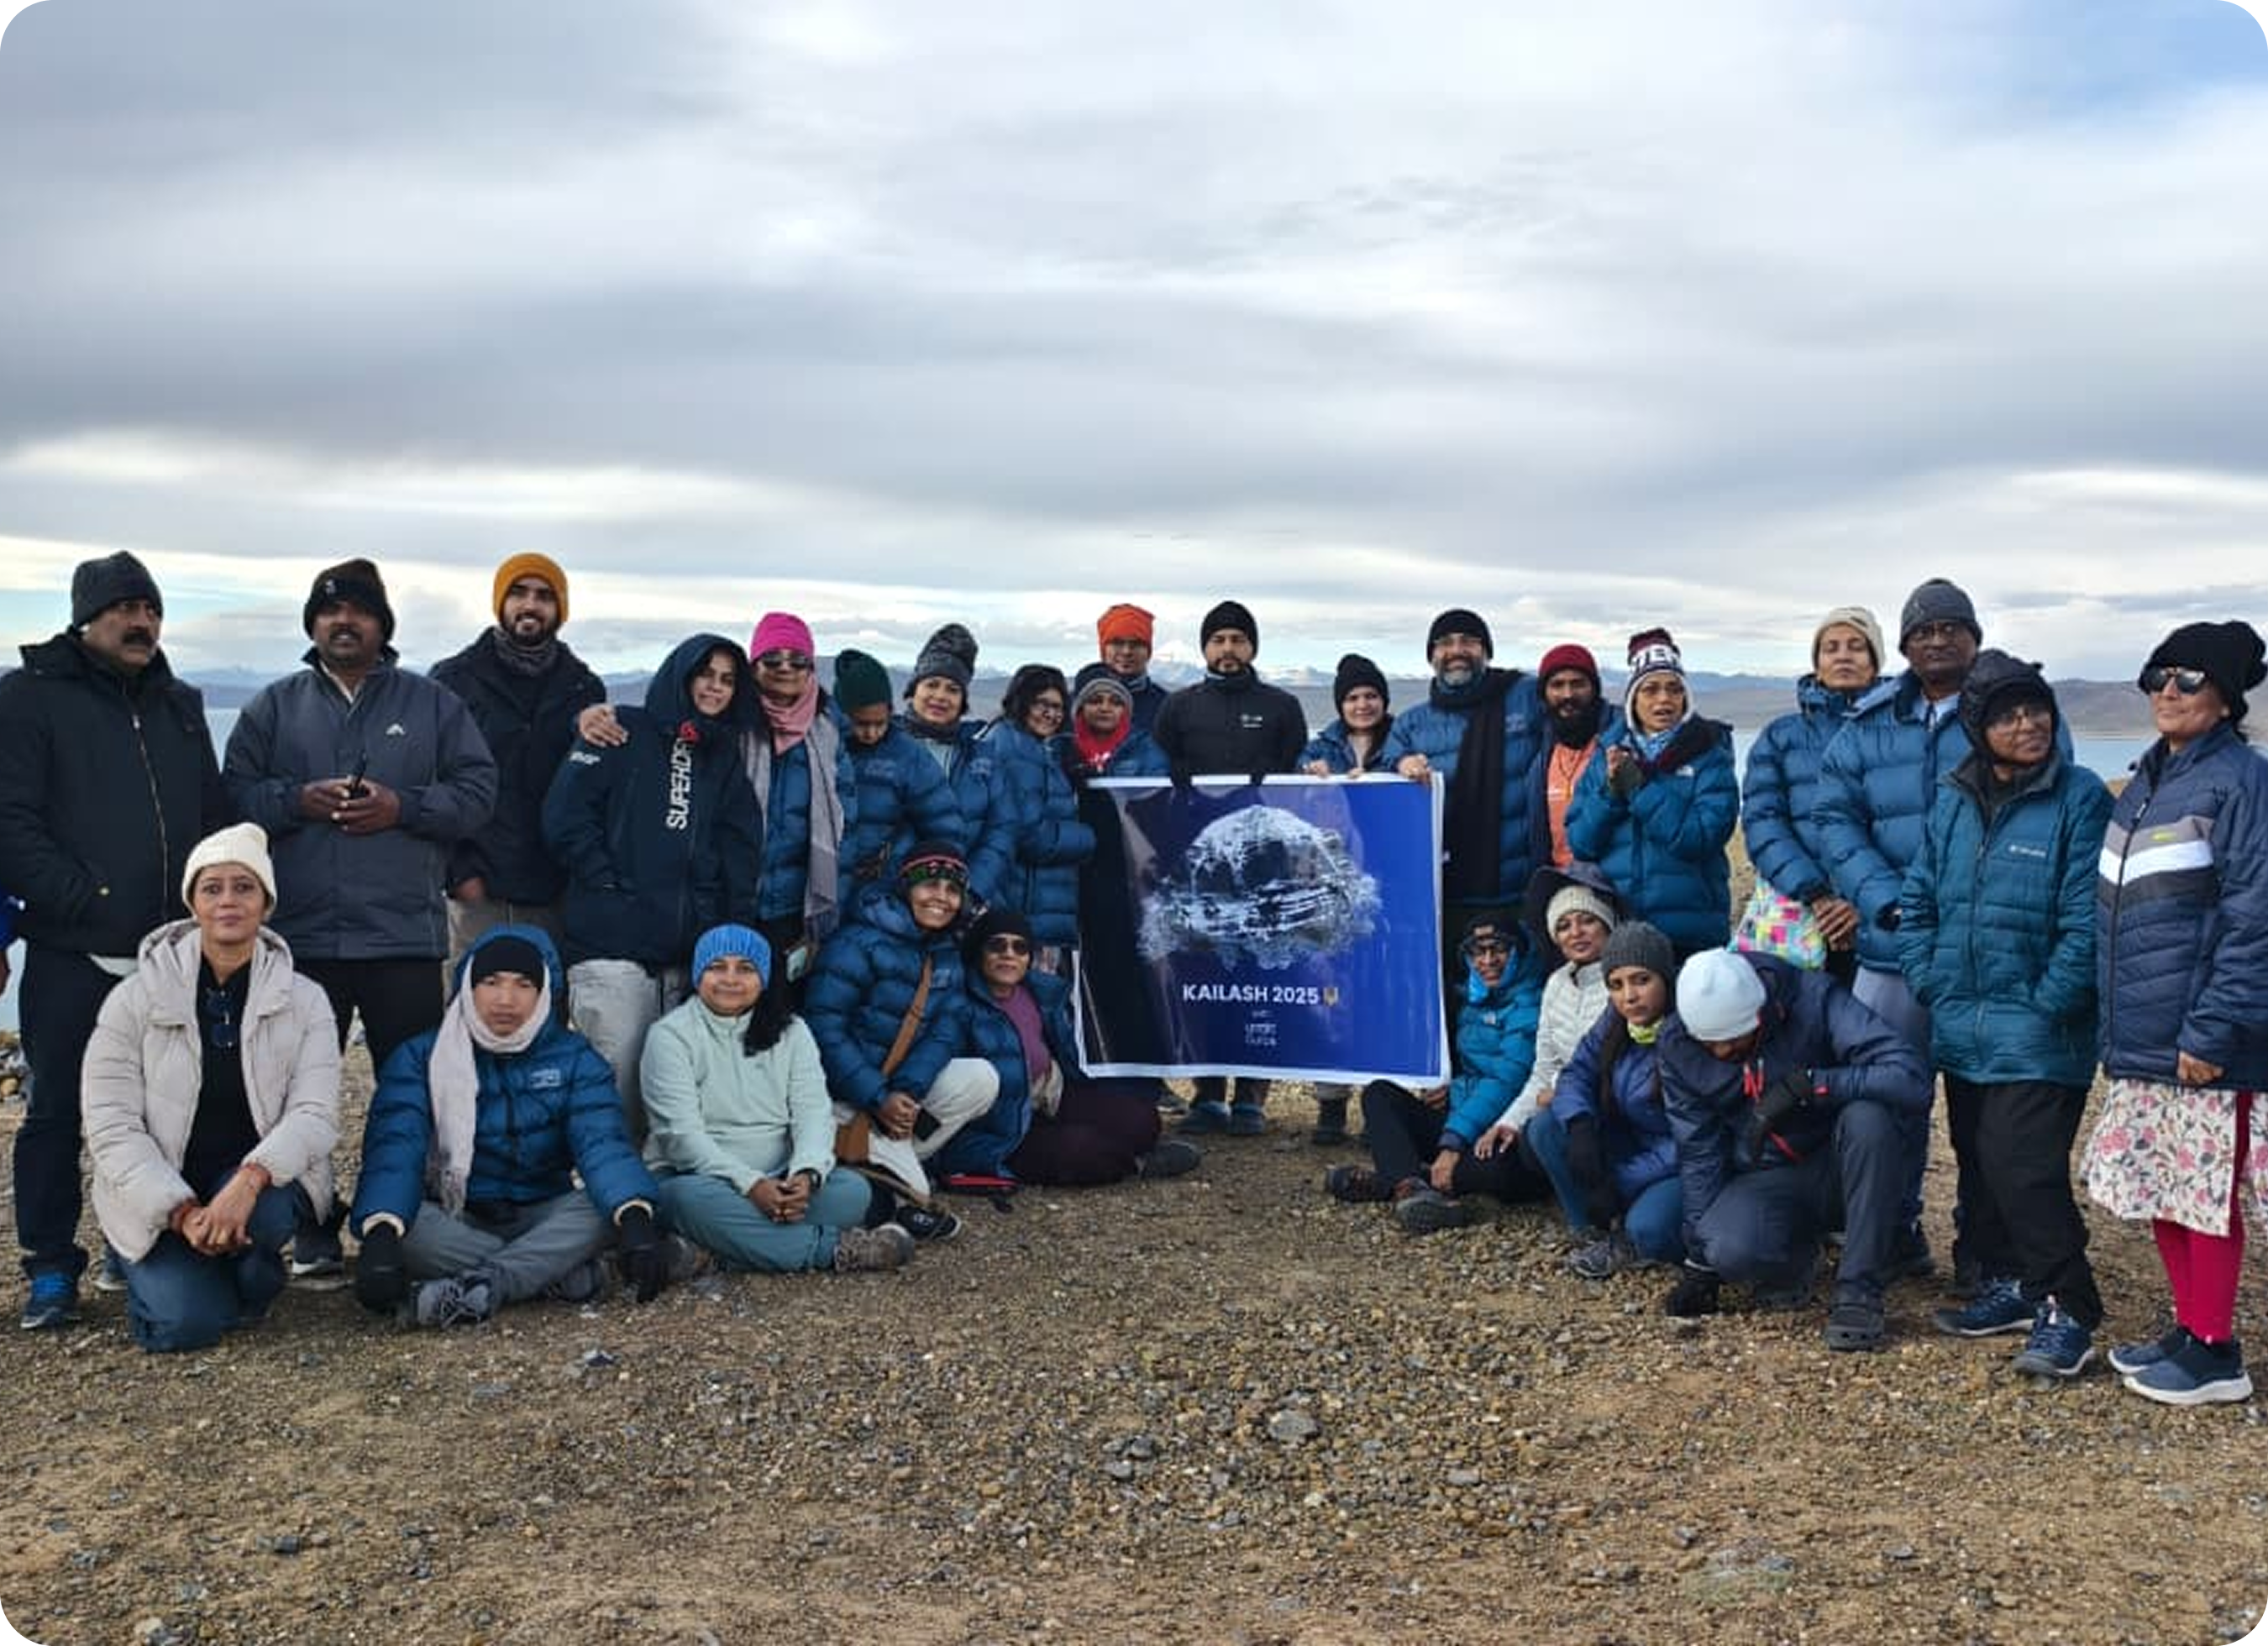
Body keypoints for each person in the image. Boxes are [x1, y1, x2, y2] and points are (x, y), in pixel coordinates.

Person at [223, 557, 499, 1285]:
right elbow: (233, 795)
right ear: (313, 624)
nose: (344, 622)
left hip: (403, 935)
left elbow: (478, 792)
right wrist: (295, 801)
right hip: (301, 938)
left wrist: (402, 806)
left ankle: (405, 1218)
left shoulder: (432, 704)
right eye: (330, 611)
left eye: (360, 612)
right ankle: (313, 1224)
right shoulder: (274, 707)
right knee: (294, 1093)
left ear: (383, 626)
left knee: (410, 1090)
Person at [0, 551, 231, 1329]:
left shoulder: (181, 705)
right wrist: (84, 897)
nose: (141, 622)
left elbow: (212, 817)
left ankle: (133, 1243)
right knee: (58, 1108)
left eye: (152, 610)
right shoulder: (27, 699)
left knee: (170, 1110)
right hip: (71, 952)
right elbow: (11, 822)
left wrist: (211, 910)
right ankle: (50, 1268)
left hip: (172, 951)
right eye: (125, 608)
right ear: (85, 618)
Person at [1898, 653, 2111, 1378]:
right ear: (1977, 728)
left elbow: (2088, 921)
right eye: (2008, 714)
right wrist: (1929, 980)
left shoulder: (2080, 797)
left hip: (2042, 1027)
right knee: (1983, 1164)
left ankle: (2069, 1307)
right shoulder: (1954, 800)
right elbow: (1919, 897)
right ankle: (2013, 1286)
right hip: (1962, 1021)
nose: (2028, 724)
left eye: (2037, 709)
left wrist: (2051, 1000)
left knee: (2026, 1170)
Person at [2086, 620, 2268, 1406]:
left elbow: (2253, 915)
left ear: (2226, 700)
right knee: (2163, 1183)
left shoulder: (2242, 783)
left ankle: (2218, 1351)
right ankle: (2189, 1328)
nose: (2168, 690)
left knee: (2204, 1194)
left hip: (2203, 1035)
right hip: (2145, 1031)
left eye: (2189, 679)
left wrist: (2213, 1028)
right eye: (2158, 675)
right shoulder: (2150, 780)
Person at [80, 824, 340, 1352]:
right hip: (161, 1188)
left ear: (266, 904)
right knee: (186, 1328)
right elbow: (110, 1125)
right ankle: (167, 1264)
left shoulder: (306, 999)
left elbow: (315, 1114)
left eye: (244, 888)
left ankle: (241, 1266)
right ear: (192, 903)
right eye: (212, 888)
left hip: (254, 1182)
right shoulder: (132, 999)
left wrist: (248, 1181)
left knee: (263, 1226)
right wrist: (179, 1211)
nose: (228, 901)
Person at [349, 926, 674, 1326]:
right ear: (468, 986)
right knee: (406, 1228)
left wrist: (635, 1220)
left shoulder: (574, 1057)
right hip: (459, 1213)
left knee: (609, 1208)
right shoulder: (421, 1056)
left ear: (544, 993)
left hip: (543, 1206)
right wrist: (381, 1233)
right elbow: (395, 1149)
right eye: (491, 982)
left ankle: (483, 1285)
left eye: (524, 984)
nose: (506, 999)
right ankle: (557, 1273)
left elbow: (603, 1143)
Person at [1814, 577, 1993, 1282]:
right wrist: (1880, 896)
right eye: (1924, 630)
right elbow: (1837, 817)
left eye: (1953, 626)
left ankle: (1986, 1249)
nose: (1939, 639)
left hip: (1986, 948)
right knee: (1888, 1093)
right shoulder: (1871, 723)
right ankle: (1893, 1228)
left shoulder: (2011, 711)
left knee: (1987, 1110)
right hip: (1890, 948)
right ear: (1906, 645)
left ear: (1975, 637)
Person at [1656, 949, 1933, 1352]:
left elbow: (1909, 1078)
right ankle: (1796, 1258)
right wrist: (1701, 1262)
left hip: (1846, 1163)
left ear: (1761, 1014)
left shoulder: (1815, 999)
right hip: (1770, 1175)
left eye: (1735, 1041)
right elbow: (1698, 1149)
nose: (1721, 1053)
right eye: (1710, 1044)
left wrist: (1812, 1086)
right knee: (1727, 1248)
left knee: (1869, 1117)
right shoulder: (1677, 1043)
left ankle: (1860, 1290)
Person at [542, 634, 764, 1135]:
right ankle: (618, 1194)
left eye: (728, 680)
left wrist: (729, 924)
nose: (715, 687)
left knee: (674, 1088)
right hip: (611, 946)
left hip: (686, 955)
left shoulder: (722, 754)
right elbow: (564, 817)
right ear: (681, 675)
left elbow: (740, 845)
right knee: (619, 1080)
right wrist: (605, 883)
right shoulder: (624, 728)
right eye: (705, 674)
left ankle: (662, 1198)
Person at [640, 924, 914, 1275]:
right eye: (716, 967)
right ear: (697, 976)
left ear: (764, 978)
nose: (730, 979)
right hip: (699, 1179)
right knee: (683, 1200)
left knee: (853, 1192)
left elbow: (813, 1112)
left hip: (780, 1178)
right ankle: (833, 1250)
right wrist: (751, 1186)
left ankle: (714, 1253)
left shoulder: (792, 1032)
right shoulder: (670, 1036)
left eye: (746, 968)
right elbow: (681, 1139)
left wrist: (806, 1174)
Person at [1152, 600, 1308, 1135]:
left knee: (1260, 971)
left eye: (1238, 640)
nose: (1228, 650)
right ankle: (1208, 1092)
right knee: (1206, 970)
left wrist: (1278, 775)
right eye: (1217, 640)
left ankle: (1253, 1095)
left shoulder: (1282, 705)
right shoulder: (1179, 707)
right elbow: (1156, 769)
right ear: (1204, 649)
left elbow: (1301, 779)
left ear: (1253, 648)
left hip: (1266, 860)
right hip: (1203, 860)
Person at [801, 843, 1002, 1241]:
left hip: (895, 1092)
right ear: (905, 888)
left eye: (951, 889)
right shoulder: (857, 942)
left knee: (981, 1078)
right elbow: (824, 1029)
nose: (940, 898)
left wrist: (906, 1093)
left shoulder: (946, 952)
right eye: (929, 885)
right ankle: (884, 1183)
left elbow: (947, 1032)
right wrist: (877, 1097)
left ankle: (886, 1158)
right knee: (920, 1194)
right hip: (840, 1096)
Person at [1324, 913, 1550, 1234]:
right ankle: (1412, 1186)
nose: (1488, 960)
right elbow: (1474, 1071)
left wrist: (1452, 1145)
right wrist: (1452, 1090)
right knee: (1380, 1095)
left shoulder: (1531, 1002)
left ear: (1519, 952)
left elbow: (1507, 1080)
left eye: (1499, 949)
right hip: (1466, 1120)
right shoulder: (1473, 1000)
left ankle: (1399, 1183)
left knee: (1496, 1172)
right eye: (1478, 951)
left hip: (1505, 1131)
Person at [429, 552, 606, 961]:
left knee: (545, 1008)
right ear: (500, 603)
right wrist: (459, 873)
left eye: (544, 596)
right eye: (518, 593)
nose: (530, 605)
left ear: (559, 609)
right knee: (466, 1007)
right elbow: (430, 781)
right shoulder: (453, 681)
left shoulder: (583, 689)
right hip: (475, 894)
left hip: (553, 890)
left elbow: (591, 792)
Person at [946, 908, 1200, 1187]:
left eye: (1020, 947)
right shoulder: (959, 1003)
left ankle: (1105, 1145)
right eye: (997, 945)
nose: (1009, 954)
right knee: (1082, 1152)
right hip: (999, 1125)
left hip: (1050, 1095)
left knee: (1141, 1119)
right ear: (978, 951)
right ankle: (1135, 1165)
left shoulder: (1040, 992)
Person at [1381, 610, 1550, 988]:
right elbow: (1380, 774)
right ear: (1431, 656)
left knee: (1523, 996)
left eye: (1468, 641)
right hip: (1448, 894)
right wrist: (1400, 764)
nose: (1456, 650)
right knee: (1453, 997)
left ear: (1486, 651)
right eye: (1445, 643)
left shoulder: (1524, 697)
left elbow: (1577, 713)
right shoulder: (1411, 724)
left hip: (1520, 889)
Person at [1521, 921, 1685, 1280]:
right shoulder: (1616, 1020)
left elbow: (1693, 1138)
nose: (1629, 996)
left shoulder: (1690, 1031)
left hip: (1680, 1163)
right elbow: (1577, 1072)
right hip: (1630, 1139)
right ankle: (1594, 1229)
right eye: (1617, 984)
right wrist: (1580, 1126)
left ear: (1666, 978)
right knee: (1547, 1127)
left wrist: (1617, 1181)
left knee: (1650, 1230)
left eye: (1642, 980)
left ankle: (1629, 1232)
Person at [1563, 628, 1738, 958]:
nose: (1663, 700)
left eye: (1674, 689)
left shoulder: (1710, 756)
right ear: (1633, 699)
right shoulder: (1607, 753)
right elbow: (1581, 843)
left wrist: (1640, 788)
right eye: (1651, 690)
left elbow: (1700, 838)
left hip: (1691, 932)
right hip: (1620, 932)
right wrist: (1612, 795)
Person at [1740, 608, 1892, 985]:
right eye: (1831, 648)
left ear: (1875, 662)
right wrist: (1819, 896)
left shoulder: (1903, 734)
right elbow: (1763, 823)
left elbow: (1910, 824)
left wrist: (1864, 900)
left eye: (1856, 647)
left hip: (1882, 916)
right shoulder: (1780, 737)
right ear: (1817, 663)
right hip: (1801, 914)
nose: (1843, 656)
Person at [738, 613, 855, 995]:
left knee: (782, 1014)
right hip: (732, 897)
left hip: (797, 906)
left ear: (811, 667)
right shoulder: (730, 722)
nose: (785, 668)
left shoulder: (828, 731)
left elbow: (846, 818)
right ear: (754, 666)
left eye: (797, 659)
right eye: (773, 659)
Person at [1472, 864, 1620, 1160]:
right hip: (1560, 1103)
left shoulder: (1622, 980)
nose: (1575, 933)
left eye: (1587, 921)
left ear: (1607, 925)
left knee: (1542, 1132)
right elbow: (1544, 1069)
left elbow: (1617, 1066)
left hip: (1608, 1107)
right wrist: (1509, 1122)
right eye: (1564, 926)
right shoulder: (1556, 984)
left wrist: (1561, 1091)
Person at [973, 665, 1095, 960]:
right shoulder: (1017, 750)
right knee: (1037, 996)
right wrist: (1089, 836)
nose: (1051, 714)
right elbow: (1031, 835)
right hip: (1029, 906)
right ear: (1022, 701)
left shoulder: (1021, 743)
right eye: (1042, 704)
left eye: (1058, 707)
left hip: (1031, 902)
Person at [898, 623, 1014, 908]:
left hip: (961, 902)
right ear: (914, 690)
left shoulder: (983, 758)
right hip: (893, 897)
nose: (940, 696)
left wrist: (969, 891)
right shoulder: (884, 746)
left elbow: (1002, 830)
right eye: (932, 684)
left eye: (952, 689)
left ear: (963, 700)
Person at [835, 648, 964, 895]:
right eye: (861, 723)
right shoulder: (823, 748)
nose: (871, 733)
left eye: (880, 723)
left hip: (884, 887)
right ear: (843, 714)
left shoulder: (909, 756)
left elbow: (945, 828)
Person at [1531, 642, 1617, 871]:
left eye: (1578, 684)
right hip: (1557, 882)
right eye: (1557, 685)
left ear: (1594, 689)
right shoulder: (1540, 754)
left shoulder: (1620, 739)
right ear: (1544, 693)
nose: (1568, 694)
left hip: (1612, 884)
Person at [1062, 663, 1167, 781]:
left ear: (1126, 710)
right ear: (1079, 707)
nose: (1105, 708)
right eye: (1095, 701)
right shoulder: (1059, 749)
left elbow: (1156, 792)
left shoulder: (1146, 750)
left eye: (1116, 703)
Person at [1300, 654, 1394, 776]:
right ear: (1341, 706)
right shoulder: (1317, 751)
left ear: (1384, 701)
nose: (1362, 705)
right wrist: (1310, 772)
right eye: (1352, 698)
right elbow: (1298, 788)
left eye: (1371, 696)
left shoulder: (1406, 743)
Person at [1095, 601, 1170, 736]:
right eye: (1117, 643)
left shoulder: (1167, 706)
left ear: (1148, 651)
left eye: (1136, 644)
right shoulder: (1078, 704)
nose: (1126, 651)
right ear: (1103, 649)